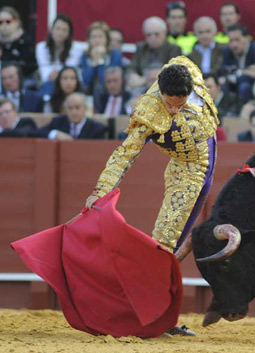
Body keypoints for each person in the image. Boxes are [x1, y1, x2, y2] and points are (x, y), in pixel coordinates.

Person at [85, 56, 218, 260]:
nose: (173, 110)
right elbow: (124, 154)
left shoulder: (186, 67)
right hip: (187, 168)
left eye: (180, 105)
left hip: (210, 145)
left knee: (178, 234)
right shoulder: (149, 110)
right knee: (165, 240)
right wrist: (100, 190)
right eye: (168, 104)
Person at [35, 14, 85, 95]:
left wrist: (60, 74)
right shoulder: (41, 47)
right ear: (51, 30)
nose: (60, 33)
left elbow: (71, 71)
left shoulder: (77, 48)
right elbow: (46, 74)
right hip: (51, 84)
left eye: (64, 30)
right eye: (57, 29)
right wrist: (61, 74)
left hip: (72, 84)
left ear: (69, 33)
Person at [128, 17, 181, 90]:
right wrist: (132, 75)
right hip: (141, 89)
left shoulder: (173, 49)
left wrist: (145, 80)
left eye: (157, 34)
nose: (153, 38)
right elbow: (131, 68)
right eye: (149, 35)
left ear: (164, 34)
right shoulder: (141, 48)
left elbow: (172, 73)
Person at [219, 24, 255, 104]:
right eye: (231, 41)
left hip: (253, 86)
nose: (234, 45)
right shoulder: (227, 51)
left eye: (237, 40)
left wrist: (238, 72)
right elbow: (224, 72)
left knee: (244, 86)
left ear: (247, 38)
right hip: (232, 85)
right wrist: (245, 71)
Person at [37, 92, 108, 140]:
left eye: (77, 107)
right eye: (70, 108)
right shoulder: (58, 122)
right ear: (65, 110)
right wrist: (54, 134)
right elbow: (36, 132)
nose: (74, 112)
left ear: (85, 109)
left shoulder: (97, 129)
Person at [80, 21, 123, 96]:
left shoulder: (115, 54)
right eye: (93, 37)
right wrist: (94, 61)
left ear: (107, 39)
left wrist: (100, 59)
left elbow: (105, 81)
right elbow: (86, 81)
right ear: (89, 40)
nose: (97, 40)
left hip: (110, 93)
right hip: (89, 93)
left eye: (100, 37)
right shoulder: (84, 56)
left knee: (99, 87)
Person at [0, 6, 37, 79]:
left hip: (24, 81)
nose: (4, 25)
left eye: (8, 21)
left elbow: (30, 67)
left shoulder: (25, 42)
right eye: (0, 22)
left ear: (17, 22)